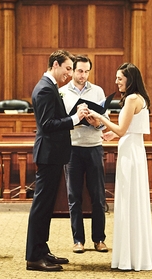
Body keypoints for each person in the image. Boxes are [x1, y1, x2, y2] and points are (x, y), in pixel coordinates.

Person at [87, 63, 152, 271]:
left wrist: (100, 118)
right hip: (134, 149)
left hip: (130, 154)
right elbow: (127, 130)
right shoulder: (140, 99)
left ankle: (128, 258)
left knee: (128, 201)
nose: (117, 82)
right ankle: (135, 255)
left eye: (120, 78)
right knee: (133, 201)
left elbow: (121, 128)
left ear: (130, 79)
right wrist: (112, 133)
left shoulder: (132, 99)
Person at [25, 50, 88, 272]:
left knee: (47, 205)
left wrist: (74, 115)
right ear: (55, 65)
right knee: (41, 207)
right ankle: (34, 257)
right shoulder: (44, 89)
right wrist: (75, 119)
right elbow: (47, 124)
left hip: (54, 154)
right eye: (68, 68)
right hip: (48, 154)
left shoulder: (50, 87)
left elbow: (53, 119)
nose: (70, 74)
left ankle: (42, 250)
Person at [60, 55, 109, 254]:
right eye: (80, 71)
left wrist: (97, 122)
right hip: (72, 148)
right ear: (72, 71)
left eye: (87, 71)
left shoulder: (97, 91)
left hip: (94, 146)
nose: (83, 75)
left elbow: (106, 120)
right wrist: (76, 117)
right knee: (74, 196)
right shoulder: (61, 92)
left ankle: (99, 239)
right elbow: (60, 121)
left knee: (98, 196)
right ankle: (78, 240)